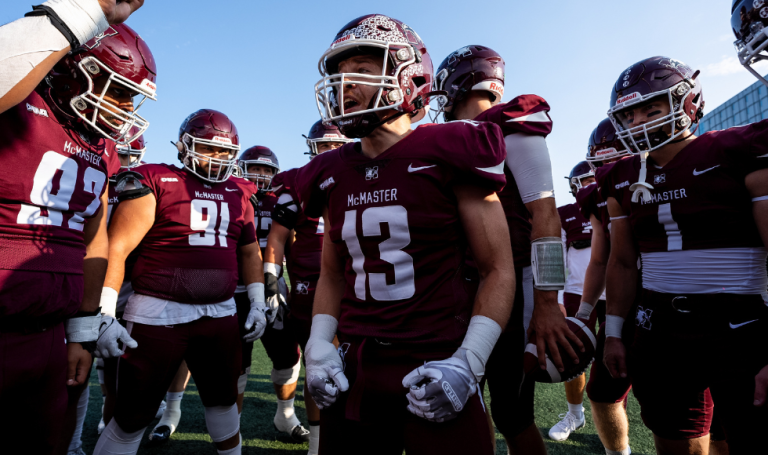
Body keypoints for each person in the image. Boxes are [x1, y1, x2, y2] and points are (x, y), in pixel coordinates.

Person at [299, 15, 514, 455]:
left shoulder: (450, 147)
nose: (346, 86)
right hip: (357, 365)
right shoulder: (330, 171)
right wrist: (320, 344)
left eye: (360, 69)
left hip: (437, 361)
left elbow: (498, 269)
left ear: (409, 74)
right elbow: (333, 274)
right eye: (339, 77)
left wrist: (469, 362)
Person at [0, 4, 150, 451]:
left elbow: (93, 238)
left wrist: (84, 329)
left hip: (50, 334)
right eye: (116, 90)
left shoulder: (102, 149)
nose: (124, 108)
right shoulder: (18, 106)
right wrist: (90, 8)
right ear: (70, 69)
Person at [602, 56, 768, 455]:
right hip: (658, 327)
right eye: (630, 115)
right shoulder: (620, 175)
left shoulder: (738, 148)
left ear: (686, 103)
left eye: (651, 109)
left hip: (739, 322)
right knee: (674, 438)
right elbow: (622, 262)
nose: (639, 122)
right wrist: (612, 332)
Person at [433, 44, 582, 454]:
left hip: (509, 283)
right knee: (452, 399)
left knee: (511, 411)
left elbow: (546, 217)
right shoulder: (449, 138)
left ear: (456, 82)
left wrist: (548, 302)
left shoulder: (508, 124)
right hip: (458, 281)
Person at [93, 109, 265, 455]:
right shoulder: (155, 179)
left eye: (223, 152)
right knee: (131, 416)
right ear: (184, 146)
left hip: (220, 313)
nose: (216, 159)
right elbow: (118, 248)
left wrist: (259, 301)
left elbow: (249, 253)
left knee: (224, 404)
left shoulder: (239, 192)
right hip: (158, 312)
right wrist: (106, 311)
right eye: (207, 148)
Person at [264, 120, 353, 455]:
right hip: (309, 287)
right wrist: (273, 283)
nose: (329, 151)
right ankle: (317, 445)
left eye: (336, 144)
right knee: (319, 366)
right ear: (312, 147)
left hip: (358, 284)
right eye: (323, 145)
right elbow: (278, 236)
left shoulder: (361, 173)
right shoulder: (296, 182)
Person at [234, 145, 310, 442]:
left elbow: (289, 241)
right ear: (242, 167)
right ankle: (233, 424)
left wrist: (282, 284)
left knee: (288, 356)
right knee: (237, 362)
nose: (261, 174)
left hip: (272, 289)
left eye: (267, 170)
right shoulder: (231, 193)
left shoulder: (281, 199)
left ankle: (286, 414)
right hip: (235, 292)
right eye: (255, 167)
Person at [576, 118, 634, 455]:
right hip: (623, 305)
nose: (610, 171)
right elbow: (601, 260)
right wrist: (585, 313)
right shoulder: (595, 196)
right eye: (602, 163)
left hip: (677, 298)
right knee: (602, 392)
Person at [549, 160, 605, 441]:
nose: (587, 185)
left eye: (591, 179)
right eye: (582, 181)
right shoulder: (566, 214)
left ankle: (614, 423)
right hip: (575, 293)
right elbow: (556, 258)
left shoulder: (621, 201)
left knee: (613, 364)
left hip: (619, 293)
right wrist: (557, 299)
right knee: (574, 357)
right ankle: (575, 413)